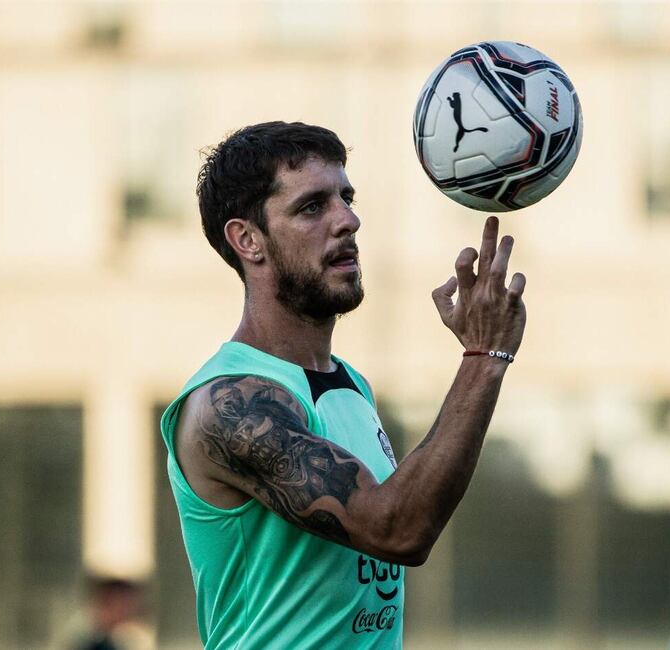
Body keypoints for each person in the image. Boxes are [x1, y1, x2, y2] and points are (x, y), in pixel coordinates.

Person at [159, 121, 527, 649]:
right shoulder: (229, 406)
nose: (348, 220)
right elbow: (397, 528)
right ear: (247, 239)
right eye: (313, 207)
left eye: (346, 198)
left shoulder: (351, 384)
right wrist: (483, 358)